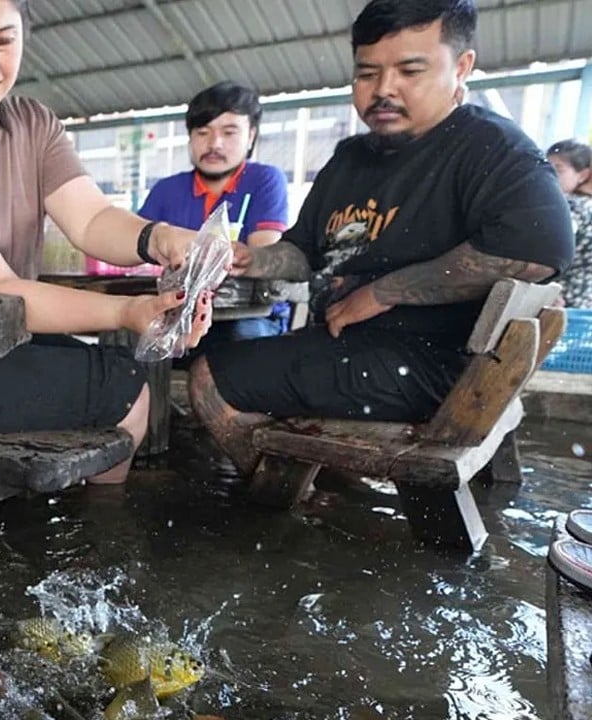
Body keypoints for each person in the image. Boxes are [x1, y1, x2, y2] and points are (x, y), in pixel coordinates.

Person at [187, 0, 574, 476]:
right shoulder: (349, 158)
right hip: (352, 350)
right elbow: (304, 251)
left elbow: (539, 250)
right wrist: (251, 259)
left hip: (435, 366)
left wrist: (384, 292)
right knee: (243, 360)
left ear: (461, 67)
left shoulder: (489, 147)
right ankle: (321, 481)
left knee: (209, 377)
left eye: (410, 71)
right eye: (367, 73)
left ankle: (294, 496)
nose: (384, 89)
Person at [0, 0, 213, 484]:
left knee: (118, 371)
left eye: (4, 41)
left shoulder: (31, 122)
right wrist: (127, 312)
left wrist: (159, 237)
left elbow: (91, 219)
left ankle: (75, 513)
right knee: (125, 388)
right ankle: (101, 522)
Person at [138, 82, 291, 344]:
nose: (214, 143)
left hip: (248, 315)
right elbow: (136, 255)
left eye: (229, 132)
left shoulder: (265, 180)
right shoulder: (166, 190)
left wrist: (246, 256)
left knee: (238, 345)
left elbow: (264, 252)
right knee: (128, 341)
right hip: (176, 312)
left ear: (251, 136)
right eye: (202, 132)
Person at [547, 139, 592, 308]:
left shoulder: (573, 208)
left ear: (583, 175)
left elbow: (551, 249)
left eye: (558, 169)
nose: (550, 174)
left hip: (563, 303)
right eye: (547, 166)